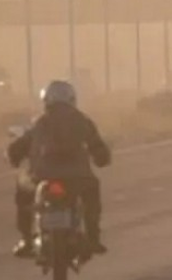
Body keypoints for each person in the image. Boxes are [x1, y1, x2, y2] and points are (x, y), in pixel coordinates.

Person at [7, 80, 111, 258]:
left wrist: (14, 158)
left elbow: (18, 147)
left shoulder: (39, 122)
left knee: (23, 192)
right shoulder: (82, 121)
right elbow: (98, 147)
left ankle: (26, 239)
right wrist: (102, 158)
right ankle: (93, 237)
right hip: (78, 177)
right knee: (92, 195)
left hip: (42, 176)